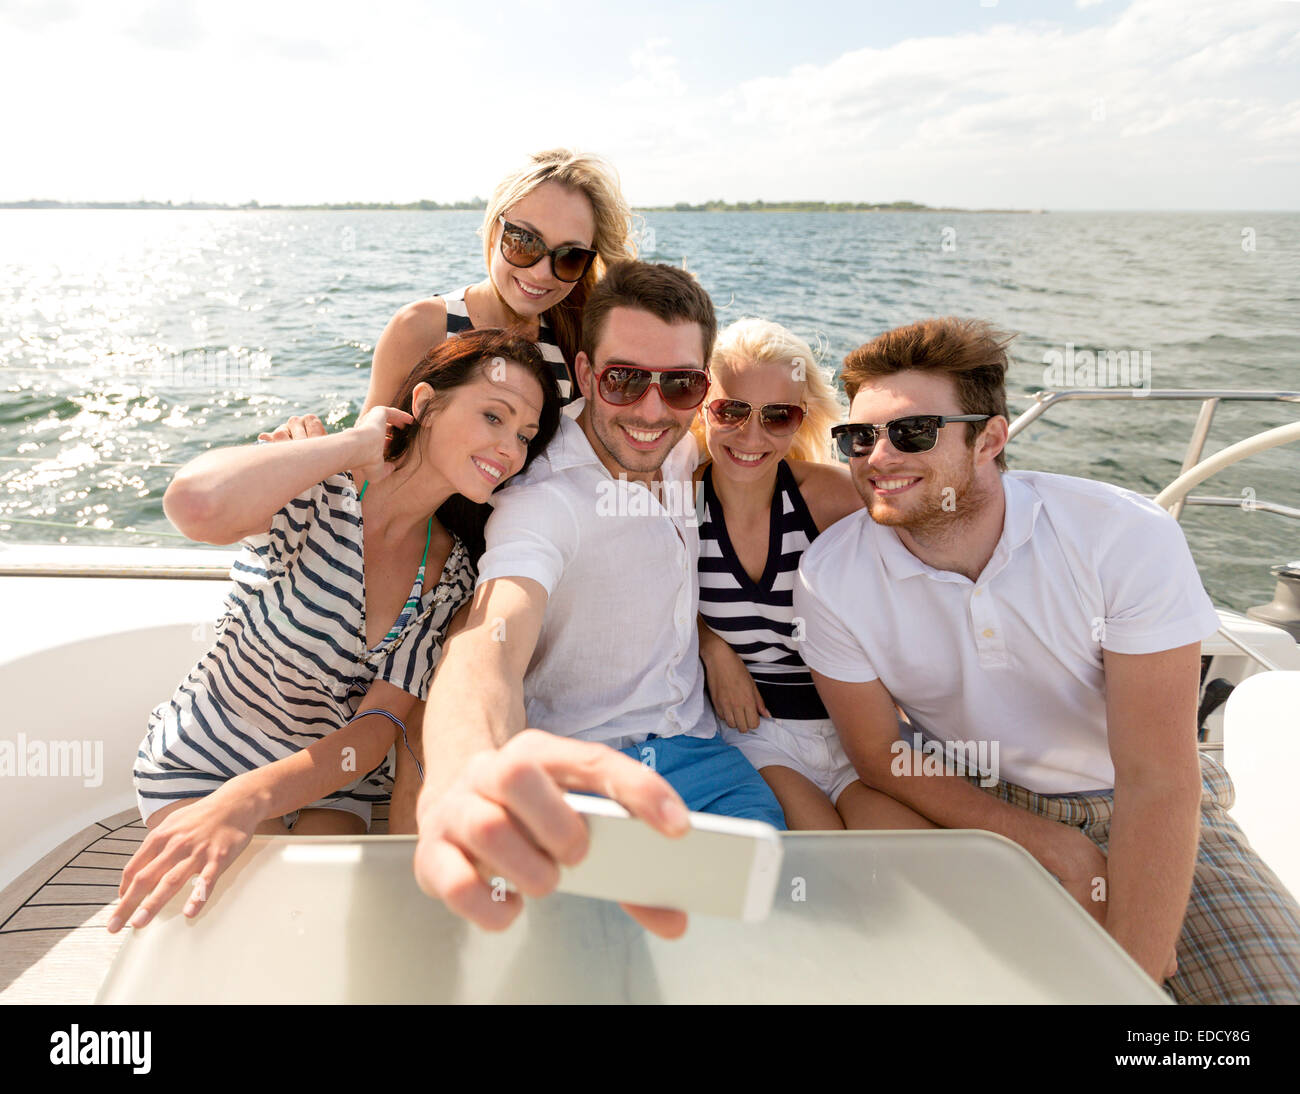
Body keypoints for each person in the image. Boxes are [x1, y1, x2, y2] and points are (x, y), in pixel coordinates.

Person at [793, 316, 1300, 1003]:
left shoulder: (1120, 539)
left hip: (1144, 802)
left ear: (991, 440)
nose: (876, 457)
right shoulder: (833, 574)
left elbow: (1158, 774)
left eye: (911, 433)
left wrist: (1130, 972)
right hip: (974, 799)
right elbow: (881, 756)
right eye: (859, 437)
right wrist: (1043, 841)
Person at [109, 330, 561, 934]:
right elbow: (194, 503)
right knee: (249, 921)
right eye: (493, 416)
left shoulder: (455, 576)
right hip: (209, 758)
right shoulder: (320, 490)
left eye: (524, 437)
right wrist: (352, 443)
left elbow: (375, 732)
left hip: (326, 783)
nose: (509, 448)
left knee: (317, 929)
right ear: (425, 405)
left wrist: (255, 798)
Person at [412, 261, 786, 938]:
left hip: (706, 752)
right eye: (623, 379)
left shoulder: (677, 449)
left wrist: (708, 640)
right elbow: (488, 638)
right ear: (585, 375)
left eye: (680, 384)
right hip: (582, 771)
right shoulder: (545, 501)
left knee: (769, 925)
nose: (650, 408)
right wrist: (463, 768)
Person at [259, 148, 636, 448]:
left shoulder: (577, 339)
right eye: (523, 242)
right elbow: (369, 456)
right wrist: (303, 454)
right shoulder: (422, 327)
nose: (540, 273)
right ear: (493, 231)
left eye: (569, 258)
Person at [691, 318, 892, 828]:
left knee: (903, 856)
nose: (751, 435)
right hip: (759, 732)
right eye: (731, 410)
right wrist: (711, 647)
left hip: (856, 727)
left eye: (778, 416)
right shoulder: (678, 503)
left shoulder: (833, 499)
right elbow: (640, 595)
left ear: (800, 421)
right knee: (823, 854)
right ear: (702, 407)